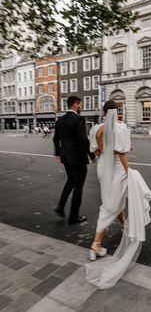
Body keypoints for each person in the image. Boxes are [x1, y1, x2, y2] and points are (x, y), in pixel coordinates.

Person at [86, 100, 151, 289]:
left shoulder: (96, 128)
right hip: (116, 169)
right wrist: (128, 171)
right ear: (116, 112)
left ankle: (123, 224)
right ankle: (96, 244)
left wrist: (113, 152)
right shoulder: (120, 128)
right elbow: (122, 153)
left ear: (104, 112)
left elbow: (96, 150)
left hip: (102, 167)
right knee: (110, 205)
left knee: (112, 200)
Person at [53, 96, 95, 224]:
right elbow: (83, 139)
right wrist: (92, 155)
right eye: (80, 104)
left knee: (70, 180)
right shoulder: (79, 119)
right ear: (76, 105)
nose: (81, 107)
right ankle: (74, 216)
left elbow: (56, 139)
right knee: (78, 186)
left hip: (66, 157)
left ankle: (60, 206)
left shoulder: (60, 120)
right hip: (78, 157)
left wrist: (58, 154)